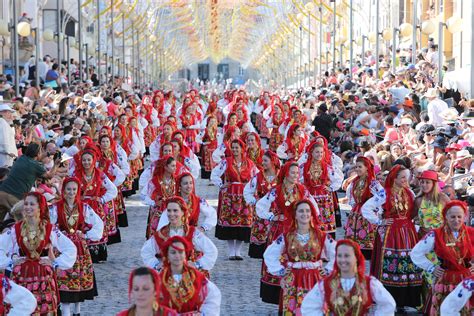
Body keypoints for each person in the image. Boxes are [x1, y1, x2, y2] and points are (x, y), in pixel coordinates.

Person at [0, 192, 77, 315]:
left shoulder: (50, 229)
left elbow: (70, 248)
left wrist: (55, 262)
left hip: (44, 276)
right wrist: (10, 262)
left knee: (45, 310)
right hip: (22, 275)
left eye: (32, 204)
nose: (28, 207)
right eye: (26, 204)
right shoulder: (16, 229)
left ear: (40, 207)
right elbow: (1, 245)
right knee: (24, 308)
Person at [256, 161, 318, 305]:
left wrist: (307, 222)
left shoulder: (302, 190)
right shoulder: (275, 191)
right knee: (278, 257)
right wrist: (272, 216)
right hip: (278, 230)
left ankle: (295, 296)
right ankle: (277, 296)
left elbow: (315, 208)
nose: (296, 175)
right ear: (285, 173)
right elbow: (260, 206)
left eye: (297, 173)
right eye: (293, 172)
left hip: (296, 230)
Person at [362, 164, 423, 310]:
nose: (404, 180)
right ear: (394, 178)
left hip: (408, 232)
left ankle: (405, 300)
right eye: (402, 177)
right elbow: (367, 208)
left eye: (406, 177)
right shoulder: (385, 193)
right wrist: (380, 221)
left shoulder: (409, 193)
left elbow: (414, 211)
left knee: (407, 263)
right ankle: (390, 299)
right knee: (391, 263)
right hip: (391, 233)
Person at [263, 199, 336, 314]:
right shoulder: (287, 236)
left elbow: (337, 253)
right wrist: (280, 271)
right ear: (295, 215)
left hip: (315, 278)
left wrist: (328, 270)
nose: (305, 214)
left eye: (308, 211)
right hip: (293, 279)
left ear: (311, 214)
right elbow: (269, 254)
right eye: (301, 211)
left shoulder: (321, 236)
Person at [49, 177, 104, 316]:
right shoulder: (56, 207)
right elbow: (48, 226)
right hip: (62, 249)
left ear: (78, 190)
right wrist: (57, 235)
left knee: (78, 279)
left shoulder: (84, 207)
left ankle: (77, 311)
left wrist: (86, 235)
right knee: (64, 279)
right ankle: (67, 312)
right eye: (68, 189)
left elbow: (98, 224)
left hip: (79, 248)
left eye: (74, 189)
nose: (71, 192)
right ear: (63, 190)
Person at [300, 239, 396, 315]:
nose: (342, 260)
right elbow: (309, 306)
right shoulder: (326, 284)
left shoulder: (369, 283)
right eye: (339, 256)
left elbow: (388, 304)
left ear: (356, 258)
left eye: (347, 256)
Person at [411, 200, 474, 314]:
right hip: (445, 280)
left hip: (466, 279)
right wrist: (431, 268)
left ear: (464, 217)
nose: (456, 220)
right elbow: (415, 253)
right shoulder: (435, 234)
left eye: (459, 217)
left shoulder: (471, 233)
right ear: (446, 217)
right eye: (452, 217)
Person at [141, 196, 218, 276]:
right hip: (168, 278)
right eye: (169, 211)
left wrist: (197, 264)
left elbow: (212, 251)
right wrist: (156, 265)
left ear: (182, 212)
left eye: (175, 211)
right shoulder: (162, 233)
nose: (171, 214)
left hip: (189, 277)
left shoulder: (192, 233)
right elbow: (146, 251)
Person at [211, 138, 257, 260]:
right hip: (230, 195)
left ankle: (238, 251)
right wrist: (221, 184)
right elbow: (214, 174)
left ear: (242, 149)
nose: (235, 149)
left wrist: (253, 190)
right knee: (230, 222)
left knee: (243, 222)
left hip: (244, 195)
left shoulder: (249, 163)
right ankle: (231, 252)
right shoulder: (226, 162)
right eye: (233, 147)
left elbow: (256, 177)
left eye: (237, 147)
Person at [72, 145, 118, 263]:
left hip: (95, 206)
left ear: (94, 161)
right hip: (81, 206)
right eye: (84, 160)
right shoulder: (75, 174)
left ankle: (97, 255)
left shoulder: (100, 174)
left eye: (89, 160)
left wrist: (102, 199)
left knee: (96, 227)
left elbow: (112, 189)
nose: (86, 162)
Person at [158, 236, 221, 315]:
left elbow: (213, 296)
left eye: (180, 252)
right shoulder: (160, 279)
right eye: (173, 252)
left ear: (185, 254)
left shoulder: (196, 277)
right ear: (167, 255)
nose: (177, 256)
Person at [0, 143, 60, 222]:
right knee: (25, 222)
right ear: (38, 153)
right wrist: (56, 164)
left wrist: (49, 153)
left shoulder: (22, 158)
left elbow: (37, 157)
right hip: (14, 197)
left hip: (2, 192)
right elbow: (50, 176)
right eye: (40, 151)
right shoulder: (36, 166)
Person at [299, 137, 344, 236]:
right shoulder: (304, 166)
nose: (319, 154)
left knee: (325, 223)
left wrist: (331, 188)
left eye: (321, 152)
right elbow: (297, 178)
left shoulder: (326, 167)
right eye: (317, 152)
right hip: (310, 196)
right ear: (311, 153)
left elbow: (338, 178)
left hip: (324, 198)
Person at [344, 156, 385, 259]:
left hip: (366, 214)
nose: (357, 169)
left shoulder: (372, 183)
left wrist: (373, 206)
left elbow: (382, 196)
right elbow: (351, 196)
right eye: (356, 167)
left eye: (360, 167)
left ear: (367, 167)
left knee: (367, 237)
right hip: (356, 212)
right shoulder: (356, 181)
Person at [243, 150, 280, 258]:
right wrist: (254, 201)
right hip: (261, 212)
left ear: (273, 161)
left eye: (265, 160)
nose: (262, 163)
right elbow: (247, 191)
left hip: (276, 211)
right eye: (262, 160)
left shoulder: (281, 175)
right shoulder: (258, 176)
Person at [0, 103, 17, 167]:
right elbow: (4, 139)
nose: (10, 115)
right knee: (4, 173)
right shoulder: (2, 122)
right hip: (5, 155)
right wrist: (9, 152)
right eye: (7, 112)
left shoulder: (3, 122)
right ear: (1, 113)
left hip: (5, 154)